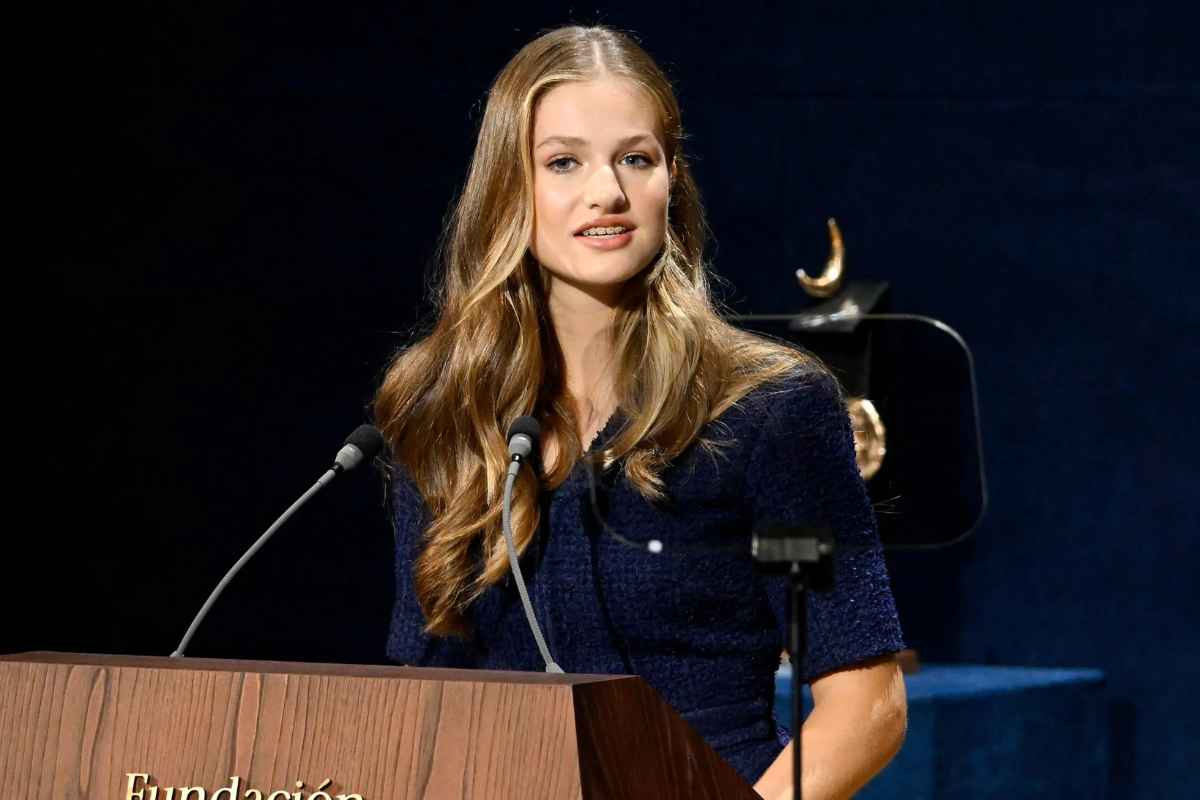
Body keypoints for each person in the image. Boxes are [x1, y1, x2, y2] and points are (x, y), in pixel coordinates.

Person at [373, 25, 907, 800]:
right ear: (508, 190)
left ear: (671, 183)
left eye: (636, 159)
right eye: (564, 162)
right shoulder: (438, 412)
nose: (607, 194)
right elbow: (419, 699)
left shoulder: (767, 412)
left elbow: (867, 705)